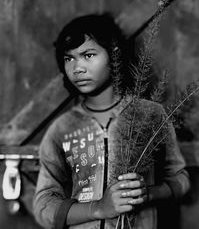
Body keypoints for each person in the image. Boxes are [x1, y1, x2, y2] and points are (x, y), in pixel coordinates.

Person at [33, 14, 190, 229]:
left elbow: (180, 179)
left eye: (88, 55)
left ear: (114, 55)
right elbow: (44, 205)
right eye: (69, 58)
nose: (77, 68)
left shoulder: (150, 114)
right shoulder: (63, 128)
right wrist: (98, 208)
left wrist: (148, 193)